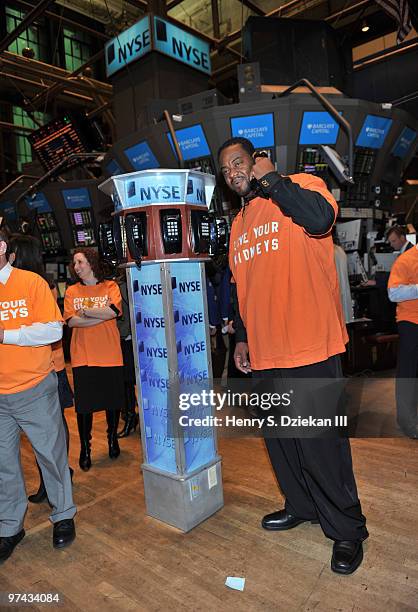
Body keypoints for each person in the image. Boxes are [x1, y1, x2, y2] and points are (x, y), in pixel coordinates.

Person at [218, 137, 368, 575]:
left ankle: (346, 529)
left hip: (308, 344)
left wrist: (272, 180)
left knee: (322, 447)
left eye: (239, 163)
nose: (234, 174)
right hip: (264, 354)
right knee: (283, 446)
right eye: (226, 171)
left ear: (259, 160)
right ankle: (301, 505)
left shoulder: (302, 185)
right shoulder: (239, 224)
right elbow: (243, 288)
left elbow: (320, 219)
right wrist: (243, 337)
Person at [0, 228, 76, 565]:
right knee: (4, 468)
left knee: (51, 456)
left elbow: (53, 329)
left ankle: (63, 515)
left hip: (33, 389)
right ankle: (10, 527)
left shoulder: (30, 283)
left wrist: (6, 334)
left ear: (2, 247)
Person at [8, 234, 74, 505]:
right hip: (42, 370)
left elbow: (52, 331)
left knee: (52, 435)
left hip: (47, 371)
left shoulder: (36, 285)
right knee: (47, 434)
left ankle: (58, 480)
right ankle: (53, 480)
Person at [64, 248, 124, 470]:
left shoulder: (111, 286)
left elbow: (115, 311)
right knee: (84, 407)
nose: (76, 267)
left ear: (91, 262)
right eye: (74, 263)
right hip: (83, 356)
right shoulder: (72, 291)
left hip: (110, 353)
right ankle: (85, 448)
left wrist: (86, 312)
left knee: (112, 402)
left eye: (80, 262)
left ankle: (112, 438)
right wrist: (100, 313)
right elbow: (71, 321)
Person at [388, 244, 418, 439]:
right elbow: (393, 293)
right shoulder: (406, 260)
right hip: (411, 322)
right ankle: (408, 422)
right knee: (408, 372)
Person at [116, 270, 139, 438]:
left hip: (127, 340)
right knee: (130, 383)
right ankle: (132, 417)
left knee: (127, 383)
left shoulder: (119, 287)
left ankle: (131, 418)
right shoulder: (124, 285)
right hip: (141, 338)